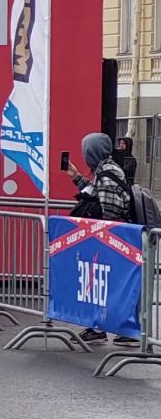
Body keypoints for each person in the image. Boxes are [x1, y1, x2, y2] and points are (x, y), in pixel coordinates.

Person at [67, 133, 138, 345]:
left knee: (115, 286)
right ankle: (99, 327)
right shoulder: (104, 170)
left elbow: (110, 212)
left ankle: (127, 329)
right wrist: (76, 176)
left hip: (115, 241)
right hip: (113, 240)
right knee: (102, 286)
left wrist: (97, 230)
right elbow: (95, 194)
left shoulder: (107, 173)